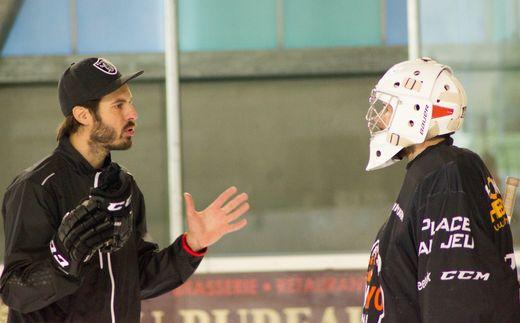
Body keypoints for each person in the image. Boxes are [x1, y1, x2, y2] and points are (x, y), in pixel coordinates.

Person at [0, 57, 250, 322]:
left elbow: (138, 279)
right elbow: (14, 291)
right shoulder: (37, 186)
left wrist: (192, 245)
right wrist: (61, 262)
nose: (132, 113)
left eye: (129, 102)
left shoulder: (123, 186)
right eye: (118, 105)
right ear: (83, 115)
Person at [362, 57, 520, 322]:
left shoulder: (445, 175)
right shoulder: (431, 174)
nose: (381, 119)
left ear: (416, 110)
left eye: (389, 107)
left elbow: (456, 295)